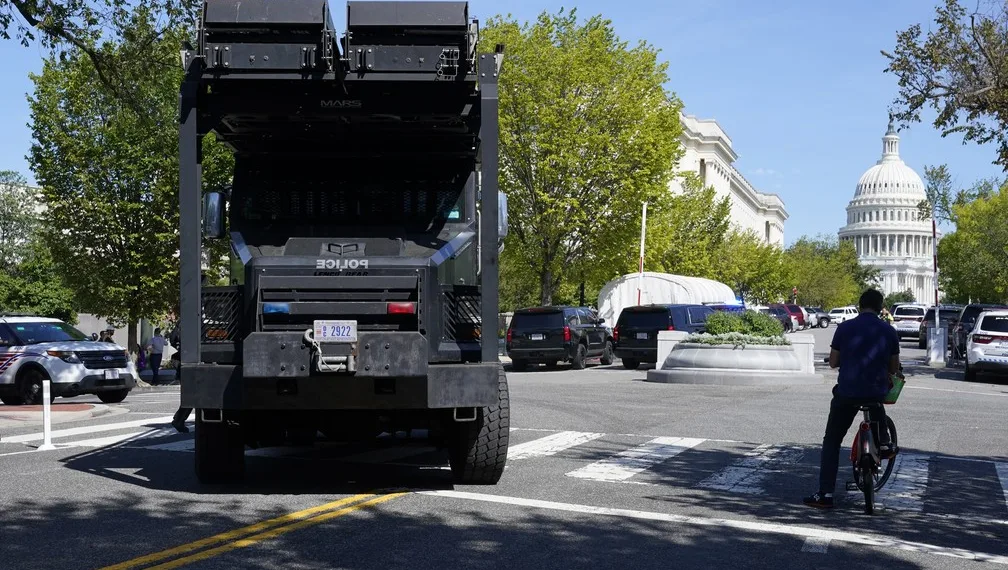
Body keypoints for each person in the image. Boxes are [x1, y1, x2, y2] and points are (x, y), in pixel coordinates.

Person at [803, 288, 901, 509]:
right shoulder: (888, 331)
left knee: (832, 441)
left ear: (860, 305)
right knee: (877, 404)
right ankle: (884, 443)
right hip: (876, 392)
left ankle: (825, 494)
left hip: (847, 392)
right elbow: (894, 368)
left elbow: (833, 362)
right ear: (880, 307)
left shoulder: (845, 328)